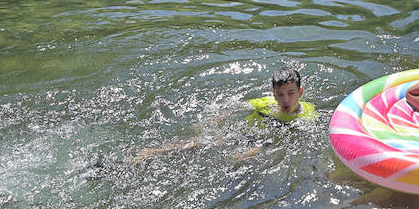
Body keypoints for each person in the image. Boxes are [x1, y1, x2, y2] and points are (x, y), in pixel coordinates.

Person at [127, 65, 314, 163]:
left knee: (253, 153)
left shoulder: (307, 113)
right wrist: (218, 118)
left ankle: (246, 156)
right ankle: (150, 153)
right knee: (196, 144)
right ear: (273, 94)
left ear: (300, 92)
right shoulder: (265, 103)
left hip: (263, 141)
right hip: (243, 134)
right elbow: (239, 105)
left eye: (291, 93)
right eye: (280, 95)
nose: (285, 100)